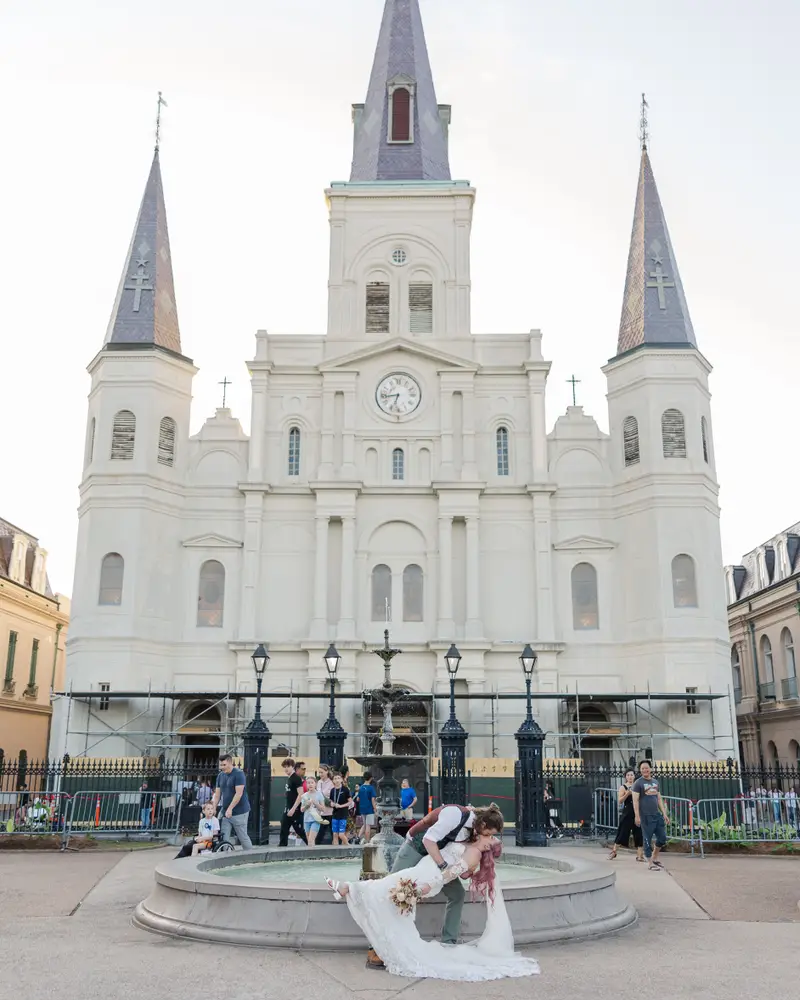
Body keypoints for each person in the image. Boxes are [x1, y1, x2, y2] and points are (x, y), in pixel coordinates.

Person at [324, 823, 539, 981]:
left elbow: (450, 873)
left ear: (488, 847)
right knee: (388, 887)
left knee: (386, 886)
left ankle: (348, 888)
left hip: (429, 877)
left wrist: (430, 885)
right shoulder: (470, 841)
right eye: (492, 835)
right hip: (424, 868)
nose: (490, 836)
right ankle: (351, 891)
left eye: (492, 839)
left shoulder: (474, 853)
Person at [632, 761, 668, 871]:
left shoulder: (655, 782)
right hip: (645, 816)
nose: (645, 770)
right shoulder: (638, 783)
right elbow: (635, 801)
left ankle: (655, 857)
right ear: (640, 770)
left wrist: (664, 813)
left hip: (656, 815)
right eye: (642, 768)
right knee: (647, 839)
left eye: (646, 768)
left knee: (662, 838)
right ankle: (650, 863)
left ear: (650, 769)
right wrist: (637, 816)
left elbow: (658, 798)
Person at [212, 753, 252, 851]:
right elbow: (217, 795)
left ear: (230, 763)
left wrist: (230, 809)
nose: (222, 767)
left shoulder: (238, 774)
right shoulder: (220, 776)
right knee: (223, 837)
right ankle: (224, 857)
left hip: (240, 812)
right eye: (221, 765)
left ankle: (251, 857)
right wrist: (213, 808)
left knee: (242, 837)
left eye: (224, 765)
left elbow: (239, 793)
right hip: (225, 812)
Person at [608, 769, 644, 862]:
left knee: (639, 833)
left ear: (634, 776)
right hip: (628, 812)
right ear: (625, 777)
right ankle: (614, 851)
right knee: (622, 832)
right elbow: (620, 801)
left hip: (637, 811)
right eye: (628, 775)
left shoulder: (638, 786)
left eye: (631, 775)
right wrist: (627, 793)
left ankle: (640, 855)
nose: (630, 777)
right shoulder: (623, 787)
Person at [279, 759, 308, 847]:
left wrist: (293, 808)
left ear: (293, 767)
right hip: (289, 807)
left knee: (299, 830)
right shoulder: (290, 778)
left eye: (288, 767)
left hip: (294, 808)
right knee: (284, 827)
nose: (286, 769)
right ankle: (282, 845)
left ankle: (311, 844)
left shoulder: (296, 778)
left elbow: (300, 794)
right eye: (285, 767)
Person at [299, 775, 329, 847]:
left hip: (315, 820)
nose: (310, 784)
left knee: (311, 840)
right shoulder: (304, 795)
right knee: (309, 841)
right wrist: (307, 805)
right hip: (306, 820)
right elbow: (302, 809)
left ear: (315, 784)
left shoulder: (319, 794)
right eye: (308, 783)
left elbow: (323, 809)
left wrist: (316, 803)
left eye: (312, 782)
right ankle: (312, 856)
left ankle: (311, 856)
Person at [329, 770, 351, 846]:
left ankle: (349, 847)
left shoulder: (345, 789)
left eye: (338, 778)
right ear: (333, 781)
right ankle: (336, 852)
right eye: (335, 778)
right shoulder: (332, 790)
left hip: (343, 815)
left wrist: (341, 806)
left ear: (341, 779)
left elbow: (350, 802)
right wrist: (331, 804)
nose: (337, 780)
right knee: (335, 834)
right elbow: (331, 801)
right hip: (335, 814)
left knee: (341, 835)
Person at [316, 764, 335, 845]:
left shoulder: (331, 783)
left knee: (332, 831)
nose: (320, 774)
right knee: (320, 832)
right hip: (321, 812)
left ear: (327, 772)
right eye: (319, 772)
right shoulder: (319, 782)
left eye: (322, 772)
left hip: (330, 811)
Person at [358, 772, 377, 843]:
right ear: (371, 778)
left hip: (362, 808)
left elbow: (358, 799)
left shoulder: (361, 787)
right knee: (368, 826)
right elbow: (373, 800)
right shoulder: (371, 788)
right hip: (369, 809)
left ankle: (358, 837)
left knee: (364, 824)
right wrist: (375, 809)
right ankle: (367, 841)